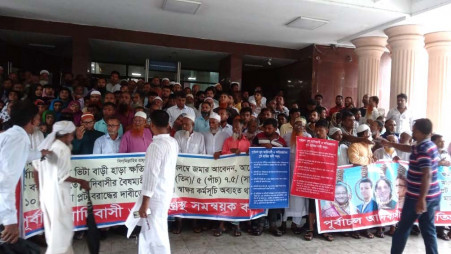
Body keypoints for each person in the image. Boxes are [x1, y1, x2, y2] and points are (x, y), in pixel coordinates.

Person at [383, 118, 441, 254]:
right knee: (428, 230)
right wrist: (390, 144)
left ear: (421, 132)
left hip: (418, 197)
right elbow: (409, 148)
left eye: (414, 130)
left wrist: (421, 199)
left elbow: (426, 175)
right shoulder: (426, 145)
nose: (412, 131)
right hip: (432, 196)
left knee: (402, 229)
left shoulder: (424, 149)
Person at [32, 121, 90, 253]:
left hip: (46, 195)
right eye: (72, 135)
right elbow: (62, 177)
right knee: (60, 235)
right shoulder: (62, 149)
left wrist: (40, 191)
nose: (73, 137)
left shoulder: (47, 146)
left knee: (53, 232)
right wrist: (81, 181)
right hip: (58, 196)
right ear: (68, 134)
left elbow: (35, 169)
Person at [127, 110, 178, 254]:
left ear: (151, 125)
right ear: (168, 124)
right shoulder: (173, 142)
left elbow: (151, 175)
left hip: (156, 195)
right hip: (165, 192)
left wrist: (145, 203)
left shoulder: (155, 146)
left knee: (156, 230)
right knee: (152, 229)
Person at [0, 101, 45, 245]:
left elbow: (22, 155)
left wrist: (42, 153)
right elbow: (6, 181)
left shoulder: (12, 135)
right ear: (31, 120)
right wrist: (10, 221)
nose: (39, 121)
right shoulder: (17, 139)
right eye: (38, 117)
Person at [251, 118, 287, 236]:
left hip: (276, 175)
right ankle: (260, 225)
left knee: (274, 199)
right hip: (261, 174)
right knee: (262, 199)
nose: (267, 130)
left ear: (275, 128)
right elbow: (251, 151)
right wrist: (261, 148)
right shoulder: (259, 137)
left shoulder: (281, 141)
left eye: (269, 128)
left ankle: (273, 226)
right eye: (265, 128)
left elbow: (284, 157)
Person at [281, 117, 310, 236]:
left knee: (299, 198)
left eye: (301, 125)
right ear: (293, 125)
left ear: (304, 127)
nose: (299, 127)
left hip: (302, 171)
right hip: (288, 170)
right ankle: (283, 223)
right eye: (296, 124)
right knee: (286, 196)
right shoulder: (287, 136)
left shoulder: (308, 137)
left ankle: (295, 224)